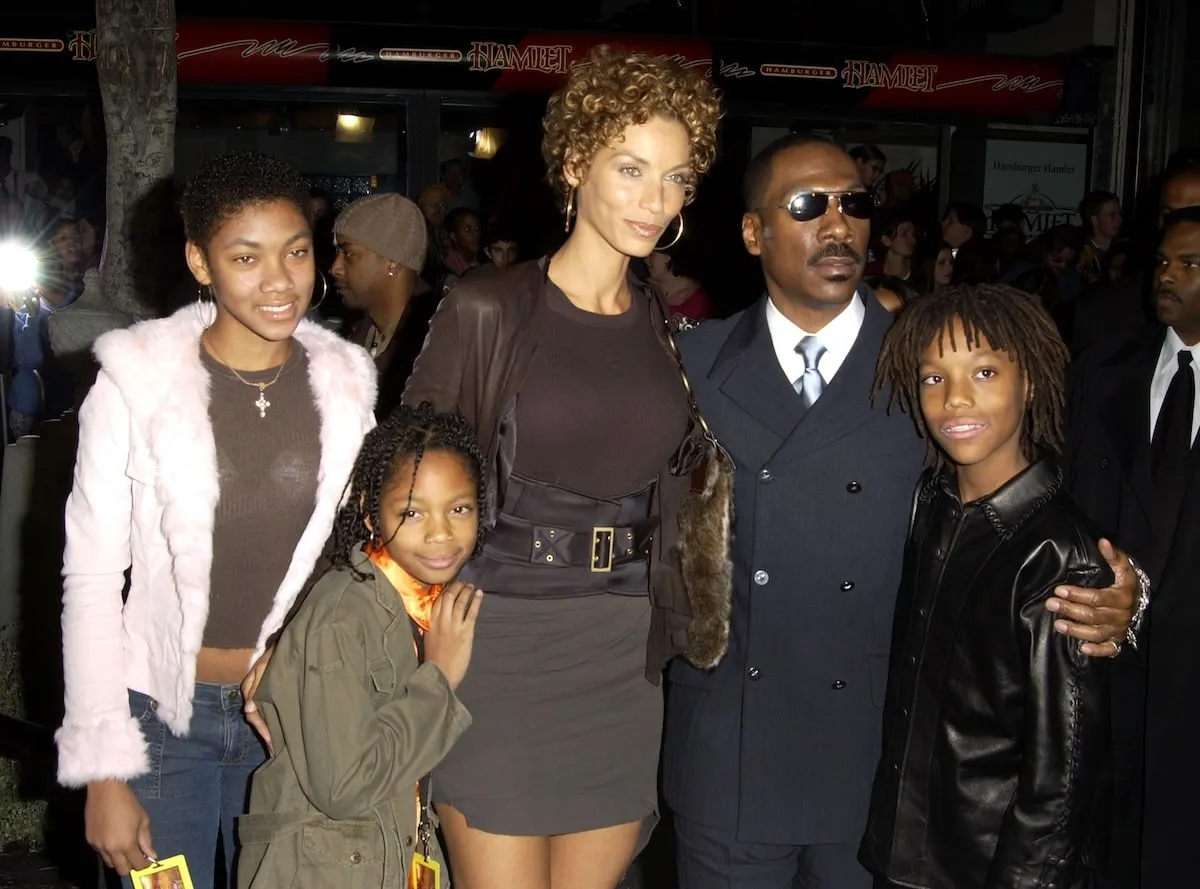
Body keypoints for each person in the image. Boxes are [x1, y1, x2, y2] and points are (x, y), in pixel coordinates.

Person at [663, 134, 1141, 889]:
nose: (837, 222)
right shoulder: (691, 364)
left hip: (880, 770)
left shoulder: (930, 362)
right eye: (806, 205)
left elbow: (1025, 506)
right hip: (730, 756)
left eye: (854, 203)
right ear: (754, 232)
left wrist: (1120, 588)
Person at [401, 45, 722, 889]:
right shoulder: (486, 306)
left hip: (621, 656)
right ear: (576, 163)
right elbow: (399, 490)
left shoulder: (661, 322)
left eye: (676, 177)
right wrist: (423, 643)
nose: (656, 200)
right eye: (631, 169)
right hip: (494, 645)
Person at [54, 151, 377, 889]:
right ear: (201, 261)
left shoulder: (345, 383)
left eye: (296, 252)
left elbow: (349, 556)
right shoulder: (137, 384)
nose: (278, 280)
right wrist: (105, 768)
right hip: (161, 720)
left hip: (290, 716)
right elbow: (93, 578)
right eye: (246, 256)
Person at [861, 283, 1112, 888]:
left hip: (987, 870)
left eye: (984, 371)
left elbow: (1063, 774)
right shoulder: (931, 504)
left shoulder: (1059, 552)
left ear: (1029, 381)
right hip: (903, 855)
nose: (956, 399)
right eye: (932, 378)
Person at [237, 404, 484, 889]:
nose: (440, 533)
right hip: (323, 869)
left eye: (460, 509)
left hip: (380, 857)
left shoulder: (425, 604)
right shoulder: (342, 618)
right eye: (411, 512)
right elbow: (343, 787)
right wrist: (439, 681)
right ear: (372, 513)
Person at [1064, 207, 1200, 888]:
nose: (1168, 276)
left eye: (1191, 264)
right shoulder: (1102, 371)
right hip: (1105, 685)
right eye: (1164, 261)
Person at [330, 193, 437, 420]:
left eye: (348, 253)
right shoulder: (359, 335)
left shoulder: (432, 347)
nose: (335, 268)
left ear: (392, 262)